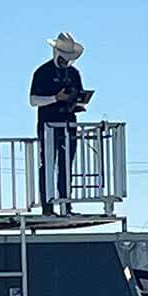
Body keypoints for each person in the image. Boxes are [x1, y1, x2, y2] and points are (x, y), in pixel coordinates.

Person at [29, 31, 87, 215]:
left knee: (66, 165)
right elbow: (33, 100)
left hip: (69, 125)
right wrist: (55, 98)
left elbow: (78, 94)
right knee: (48, 165)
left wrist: (76, 104)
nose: (66, 62)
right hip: (48, 125)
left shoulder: (74, 74)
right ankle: (48, 206)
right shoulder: (43, 72)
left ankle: (66, 205)